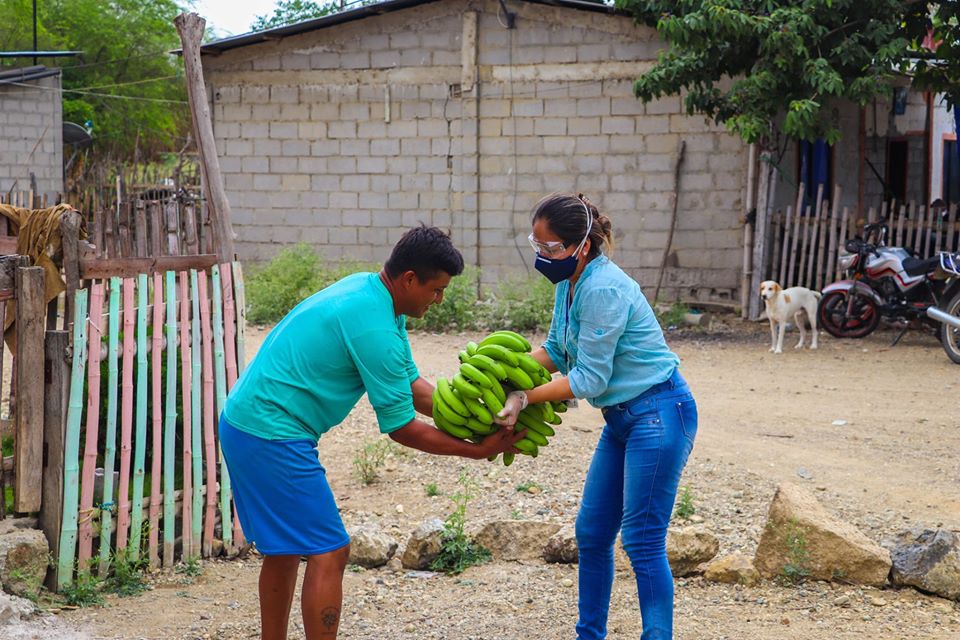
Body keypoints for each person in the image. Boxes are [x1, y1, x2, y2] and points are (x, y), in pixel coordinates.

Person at [219, 226, 525, 640]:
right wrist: (475, 451)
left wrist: (483, 418)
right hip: (271, 433)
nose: (439, 300)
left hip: (248, 422)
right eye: (436, 290)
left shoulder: (374, 296)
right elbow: (401, 428)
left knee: (286, 547)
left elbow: (409, 387)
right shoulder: (374, 327)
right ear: (410, 279)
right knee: (330, 550)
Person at [495, 193, 698, 640]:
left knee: (642, 540)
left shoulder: (603, 288)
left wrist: (525, 397)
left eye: (551, 248)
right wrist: (500, 376)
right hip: (623, 420)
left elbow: (588, 377)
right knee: (591, 533)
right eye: (537, 245)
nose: (542, 256)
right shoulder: (569, 282)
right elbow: (556, 349)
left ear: (582, 246)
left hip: (659, 412)